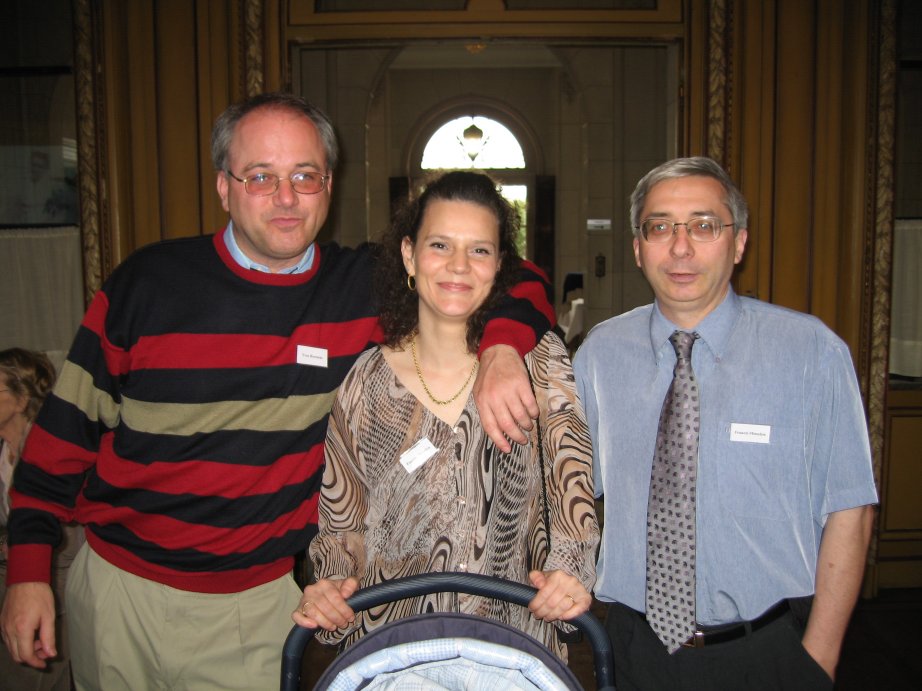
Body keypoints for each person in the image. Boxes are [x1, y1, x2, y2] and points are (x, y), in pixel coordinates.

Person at [0, 93, 554, 691]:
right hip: (119, 590)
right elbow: (60, 440)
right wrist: (28, 570)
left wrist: (500, 348)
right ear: (224, 187)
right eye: (261, 176)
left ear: (329, 186)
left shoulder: (365, 287)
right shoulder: (147, 284)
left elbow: (512, 274)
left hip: (257, 605)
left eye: (304, 176)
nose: (285, 197)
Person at [573, 156, 878, 690]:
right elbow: (566, 490)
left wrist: (817, 661)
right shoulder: (601, 353)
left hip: (767, 653)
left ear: (738, 244)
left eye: (704, 225)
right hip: (633, 652)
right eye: (660, 226)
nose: (681, 246)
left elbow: (849, 509)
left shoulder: (810, 352)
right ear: (638, 247)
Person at [293, 171, 599, 662]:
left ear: (500, 265)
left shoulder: (538, 364)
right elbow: (342, 525)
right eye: (440, 245)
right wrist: (330, 585)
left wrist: (568, 573)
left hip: (513, 649)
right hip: (392, 651)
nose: (459, 266)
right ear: (410, 255)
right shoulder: (365, 383)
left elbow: (571, 490)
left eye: (479, 250)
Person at [1, 349, 83, 691]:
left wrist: (20, 552)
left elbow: (74, 537)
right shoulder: (3, 450)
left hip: (52, 590)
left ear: (21, 400)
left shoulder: (52, 456)